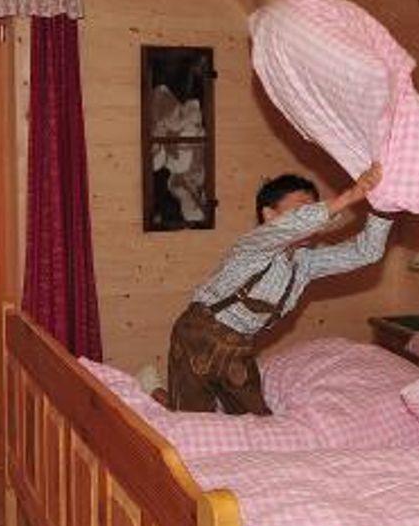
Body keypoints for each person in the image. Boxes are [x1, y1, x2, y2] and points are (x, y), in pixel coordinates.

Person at [165, 163, 388, 414]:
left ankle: (159, 396)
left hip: (239, 347)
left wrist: (383, 209)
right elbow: (290, 226)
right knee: (188, 419)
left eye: (313, 210)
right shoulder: (253, 245)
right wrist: (350, 196)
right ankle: (165, 401)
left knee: (258, 422)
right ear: (269, 215)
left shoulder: (305, 263)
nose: (312, 221)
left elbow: (365, 252)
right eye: (302, 209)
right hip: (198, 335)